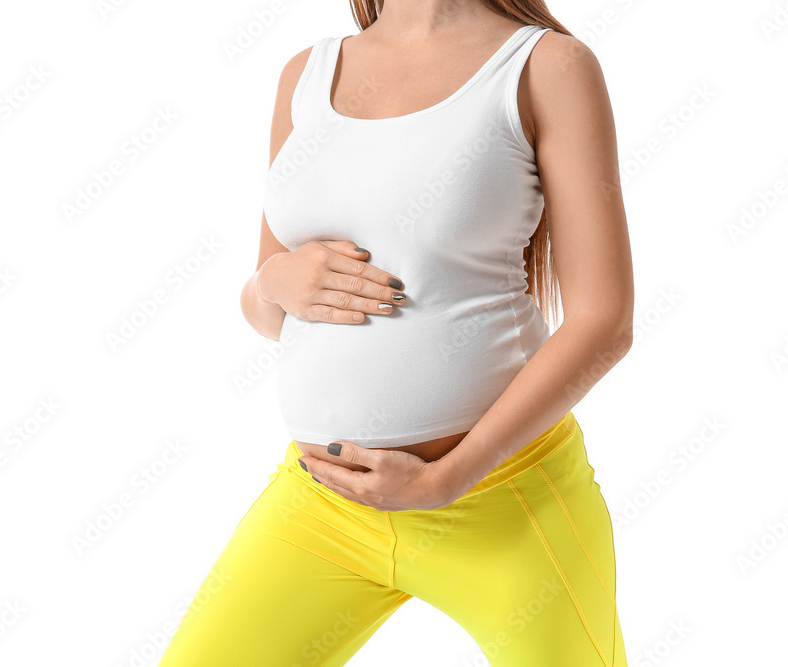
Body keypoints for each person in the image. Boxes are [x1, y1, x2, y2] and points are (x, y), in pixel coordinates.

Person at [160, 1, 634, 664]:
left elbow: (603, 321)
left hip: (503, 503)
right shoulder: (307, 72)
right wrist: (273, 283)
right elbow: (271, 307)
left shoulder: (546, 66)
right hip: (324, 502)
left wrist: (449, 478)